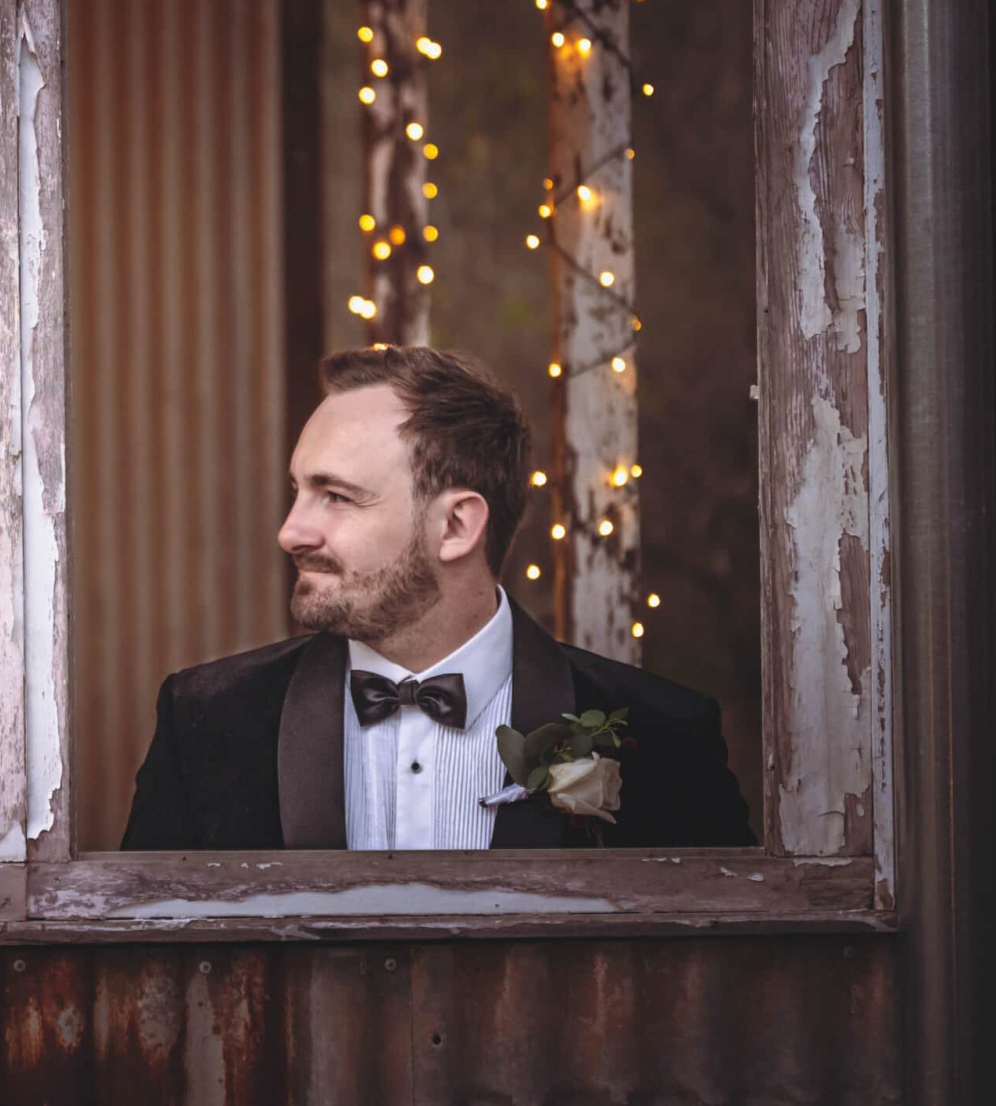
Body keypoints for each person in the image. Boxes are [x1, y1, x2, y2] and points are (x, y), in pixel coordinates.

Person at [121, 345, 753, 852]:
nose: (291, 531)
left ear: (456, 526)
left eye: (336, 496)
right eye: (298, 491)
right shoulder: (206, 721)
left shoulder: (661, 739)